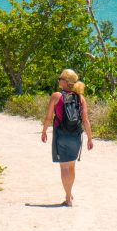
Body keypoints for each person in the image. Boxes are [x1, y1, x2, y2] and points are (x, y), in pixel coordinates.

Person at [40, 69, 94, 205]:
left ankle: (68, 197)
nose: (58, 80)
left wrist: (44, 131)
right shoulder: (80, 98)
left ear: (65, 81)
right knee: (71, 166)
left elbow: (48, 117)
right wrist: (90, 138)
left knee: (64, 168)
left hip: (61, 134)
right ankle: (69, 194)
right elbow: (86, 120)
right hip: (76, 134)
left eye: (60, 78)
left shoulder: (56, 96)